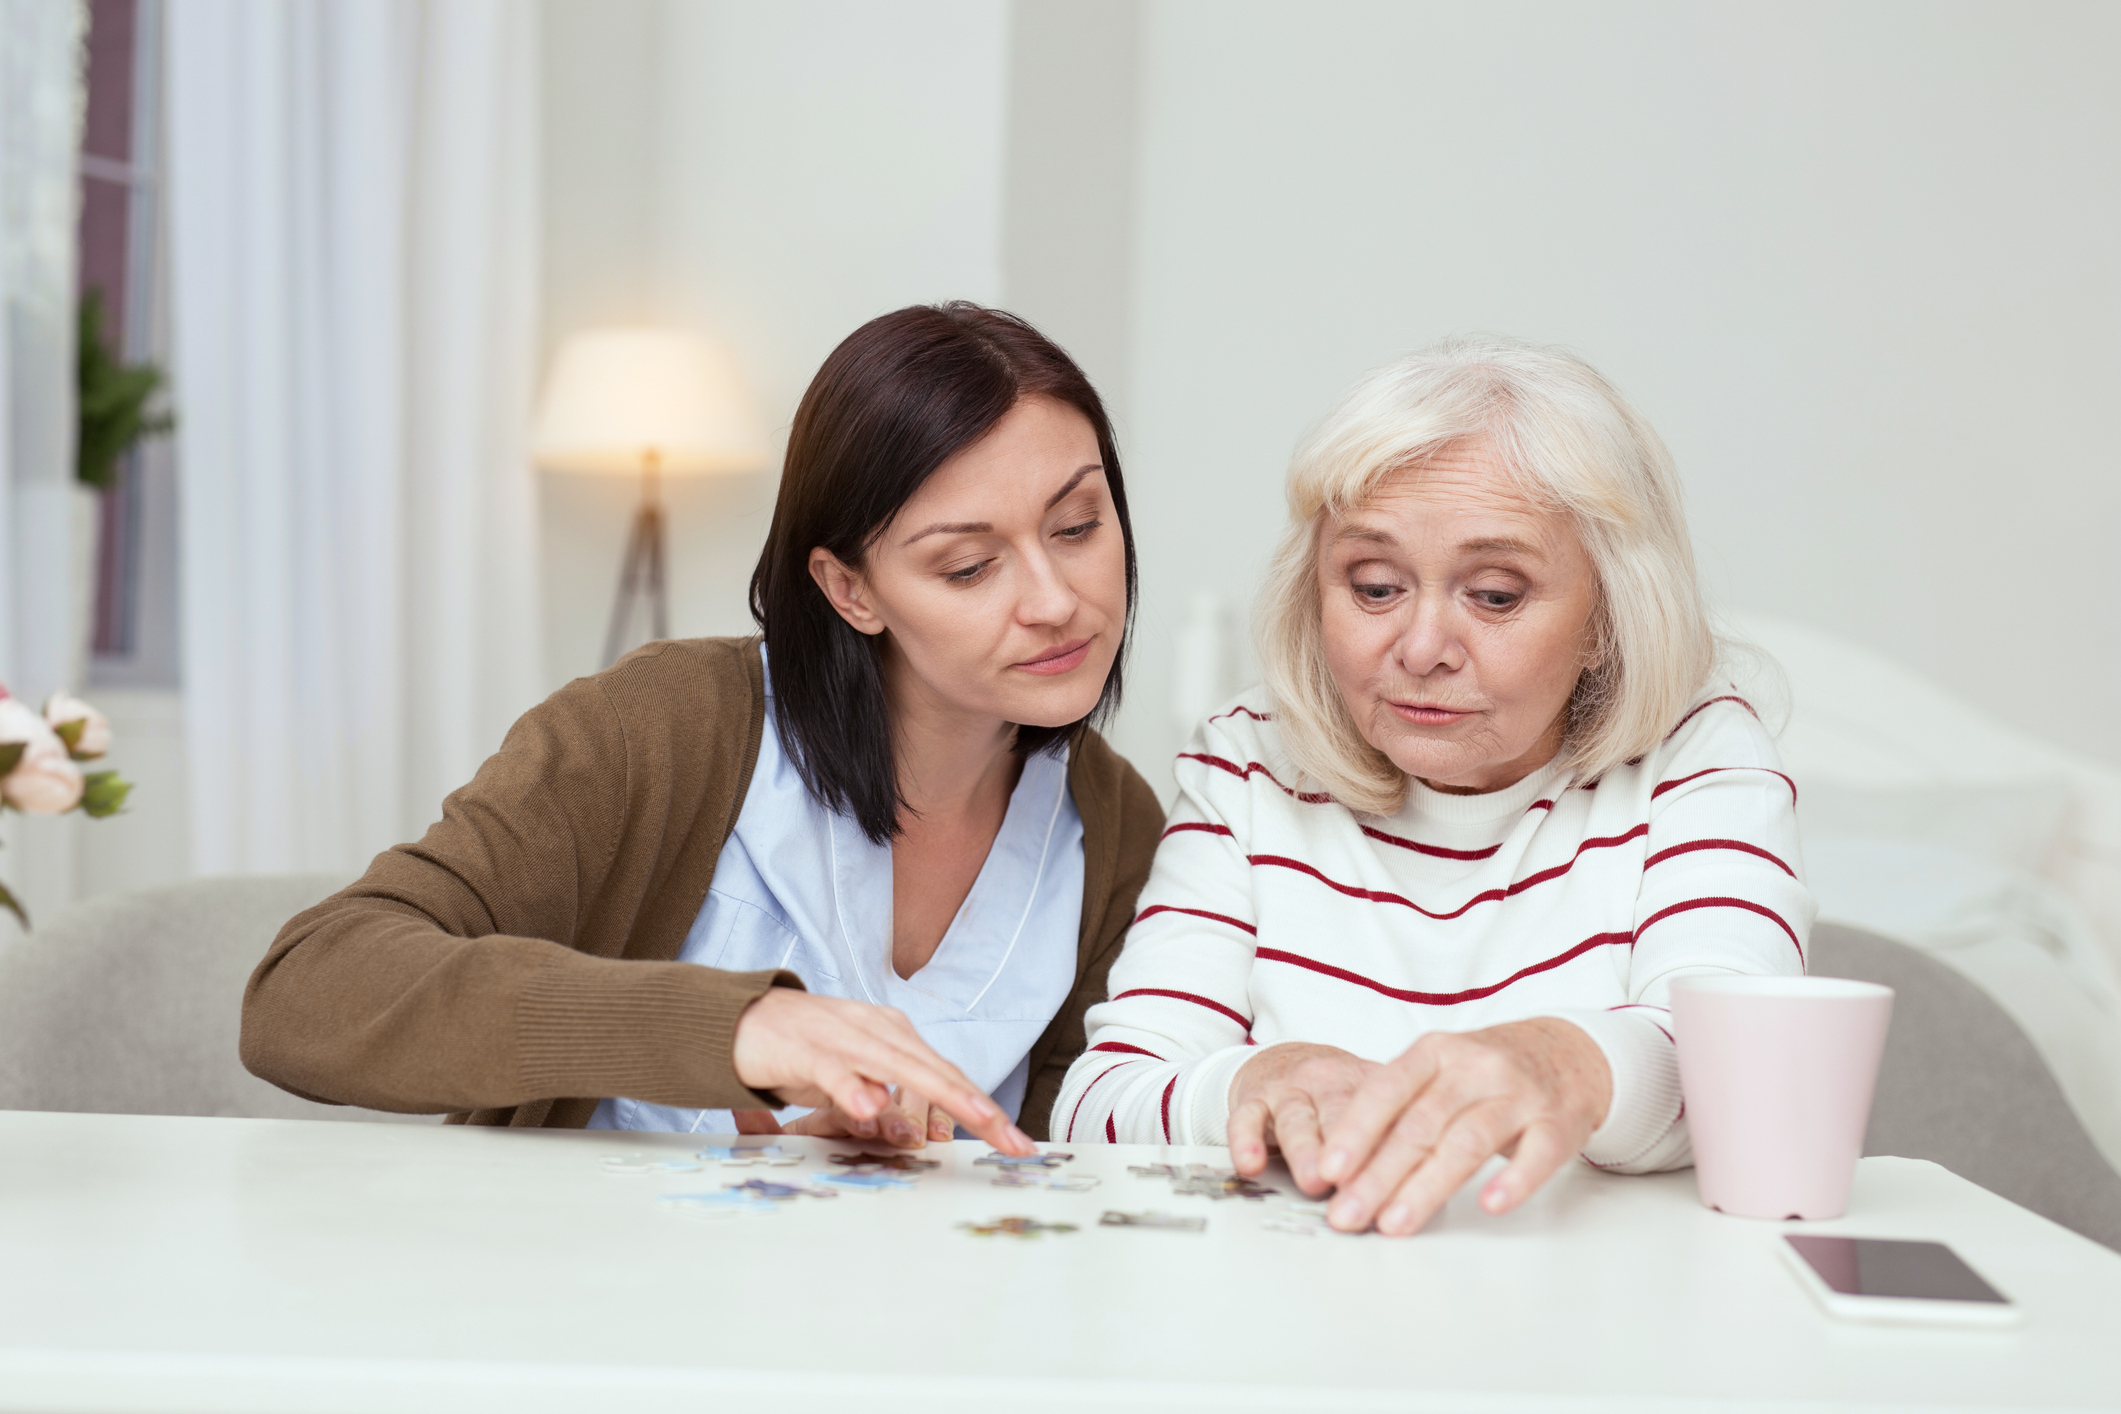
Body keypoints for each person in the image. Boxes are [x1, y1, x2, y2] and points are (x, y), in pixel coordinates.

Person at [243, 303, 1164, 1153]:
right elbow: (306, 992)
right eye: (968, 567)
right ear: (849, 590)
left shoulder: (1115, 825)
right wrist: (736, 1026)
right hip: (570, 1297)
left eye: (1078, 526)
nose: (1054, 602)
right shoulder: (665, 729)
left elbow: (1052, 1179)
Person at [1059, 335, 1813, 1231]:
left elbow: (1748, 1081)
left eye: (1494, 596)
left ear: (1608, 618)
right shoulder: (1249, 760)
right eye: (1373, 587)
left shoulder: (1700, 753)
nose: (1419, 650)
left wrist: (1563, 1064)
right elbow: (1097, 1104)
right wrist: (1250, 1082)